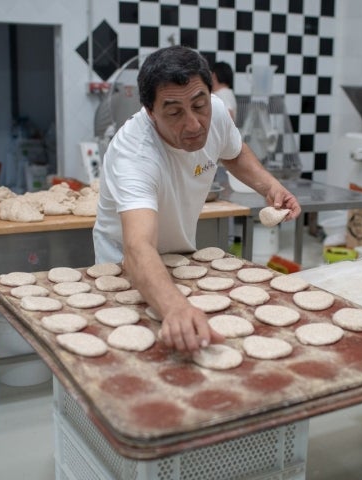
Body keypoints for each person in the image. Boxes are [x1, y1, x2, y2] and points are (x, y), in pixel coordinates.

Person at [93, 46, 301, 353]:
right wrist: (174, 308)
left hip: (180, 259)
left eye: (199, 105)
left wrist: (270, 187)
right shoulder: (135, 154)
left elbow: (234, 151)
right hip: (125, 267)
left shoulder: (215, 111)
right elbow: (137, 246)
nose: (193, 124)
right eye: (175, 112)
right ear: (150, 112)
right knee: (139, 352)